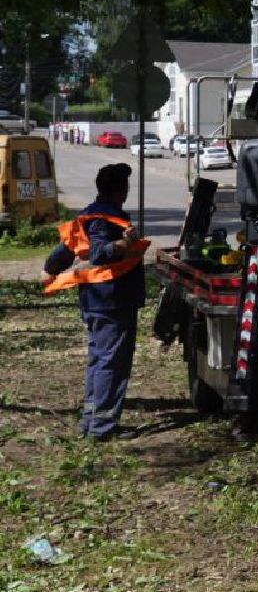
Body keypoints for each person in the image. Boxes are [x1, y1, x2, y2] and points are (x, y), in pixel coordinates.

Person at [40, 163, 149, 441]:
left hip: (95, 299)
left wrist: (50, 267)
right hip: (113, 301)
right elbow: (100, 253)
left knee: (99, 359)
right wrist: (123, 245)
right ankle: (102, 428)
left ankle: (91, 421)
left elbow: (68, 247)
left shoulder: (89, 214)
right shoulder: (107, 219)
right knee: (111, 362)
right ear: (121, 190)